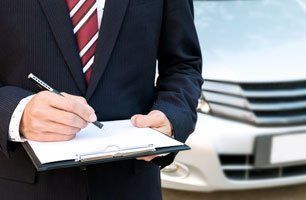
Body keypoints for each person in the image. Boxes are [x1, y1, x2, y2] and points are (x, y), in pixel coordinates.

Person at [0, 0, 203, 199]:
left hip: (132, 185)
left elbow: (183, 65)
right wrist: (18, 112)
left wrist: (172, 115)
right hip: (22, 185)